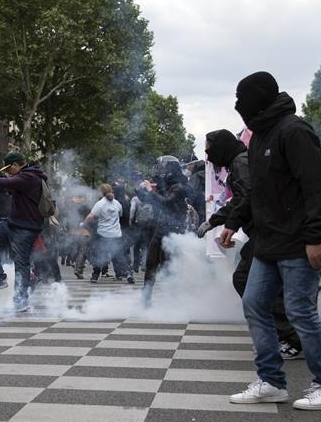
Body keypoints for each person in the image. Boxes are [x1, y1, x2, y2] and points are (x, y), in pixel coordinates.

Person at [220, 71, 321, 410]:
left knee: (299, 312)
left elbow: (317, 188)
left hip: (299, 241)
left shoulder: (294, 131)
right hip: (268, 241)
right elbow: (258, 192)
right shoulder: (259, 136)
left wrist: (316, 237)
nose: (237, 105)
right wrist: (234, 222)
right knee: (255, 304)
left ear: (258, 99)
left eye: (241, 98)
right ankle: (272, 382)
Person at [197, 129, 303, 360]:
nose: (208, 156)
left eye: (209, 150)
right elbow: (240, 200)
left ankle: (288, 337)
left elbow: (249, 197)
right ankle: (282, 334)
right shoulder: (240, 162)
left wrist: (230, 224)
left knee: (251, 281)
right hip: (265, 232)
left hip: (268, 232)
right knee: (257, 283)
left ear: (222, 147)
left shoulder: (241, 163)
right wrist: (214, 220)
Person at [0, 151, 47, 312]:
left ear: (16, 165)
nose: (8, 172)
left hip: (25, 228)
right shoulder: (25, 176)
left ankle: (21, 301)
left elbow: (5, 183)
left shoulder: (29, 177)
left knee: (21, 263)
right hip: (11, 223)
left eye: (9, 169)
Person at [137, 155, 189, 305]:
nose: (160, 171)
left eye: (164, 168)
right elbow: (151, 201)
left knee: (169, 266)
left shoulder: (178, 187)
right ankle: (146, 297)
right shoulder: (165, 186)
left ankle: (177, 299)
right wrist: (139, 190)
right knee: (151, 262)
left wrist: (150, 190)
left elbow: (166, 203)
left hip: (173, 230)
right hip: (161, 227)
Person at [81, 183, 134, 284]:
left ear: (102, 192)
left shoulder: (100, 204)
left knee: (99, 254)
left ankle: (95, 276)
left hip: (103, 234)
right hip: (116, 234)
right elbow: (120, 214)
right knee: (119, 256)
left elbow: (90, 216)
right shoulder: (117, 203)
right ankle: (128, 274)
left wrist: (83, 223)